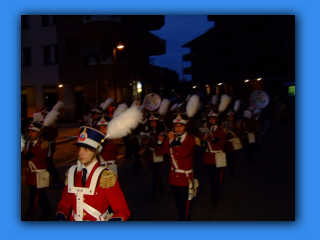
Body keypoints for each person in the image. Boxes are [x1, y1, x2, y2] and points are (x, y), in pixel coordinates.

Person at [56, 126, 131, 221]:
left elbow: (122, 210)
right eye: (79, 148)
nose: (80, 153)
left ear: (96, 152)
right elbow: (64, 205)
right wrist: (61, 216)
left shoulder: (106, 177)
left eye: (86, 149)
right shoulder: (72, 173)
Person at [155, 113, 196, 221]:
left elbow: (184, 153)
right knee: (178, 204)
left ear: (185, 126)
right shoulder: (170, 139)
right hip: (174, 178)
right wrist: (159, 141)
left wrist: (173, 141)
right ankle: (185, 218)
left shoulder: (191, 139)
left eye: (181, 126)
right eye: (176, 126)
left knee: (183, 205)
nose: (178, 129)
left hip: (185, 178)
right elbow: (160, 152)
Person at [22, 121, 52, 221]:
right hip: (30, 176)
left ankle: (27, 220)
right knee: (40, 195)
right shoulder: (28, 142)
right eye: (29, 131)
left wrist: (26, 154)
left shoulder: (44, 143)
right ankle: (47, 211)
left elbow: (40, 158)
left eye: (33, 131)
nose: (30, 133)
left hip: (39, 176)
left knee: (33, 200)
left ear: (39, 132)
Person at [200, 109, 227, 204]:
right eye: (210, 119)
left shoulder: (221, 130)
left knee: (216, 178)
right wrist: (203, 139)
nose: (211, 120)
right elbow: (200, 143)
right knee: (211, 177)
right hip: (208, 158)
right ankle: (214, 190)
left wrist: (213, 137)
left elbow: (223, 143)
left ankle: (214, 195)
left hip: (217, 157)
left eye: (213, 119)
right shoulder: (205, 129)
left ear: (216, 120)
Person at [141, 112, 166, 201]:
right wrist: (144, 142)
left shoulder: (161, 132)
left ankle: (153, 193)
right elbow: (144, 139)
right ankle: (161, 187)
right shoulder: (149, 131)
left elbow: (162, 144)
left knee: (156, 175)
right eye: (151, 122)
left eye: (154, 122)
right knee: (155, 173)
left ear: (157, 123)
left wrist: (155, 139)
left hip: (158, 155)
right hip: (149, 155)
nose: (152, 124)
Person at [41, 107, 60, 182]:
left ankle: (54, 175)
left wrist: (45, 132)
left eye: (45, 114)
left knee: (48, 162)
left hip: (49, 145)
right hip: (45, 145)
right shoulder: (44, 122)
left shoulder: (53, 123)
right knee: (47, 161)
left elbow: (54, 134)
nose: (44, 116)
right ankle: (54, 175)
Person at [221, 110, 240, 178]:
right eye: (229, 117)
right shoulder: (224, 124)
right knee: (226, 159)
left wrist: (233, 128)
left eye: (232, 117)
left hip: (233, 145)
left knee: (232, 160)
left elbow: (238, 133)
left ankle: (231, 172)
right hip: (226, 144)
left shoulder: (236, 124)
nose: (231, 118)